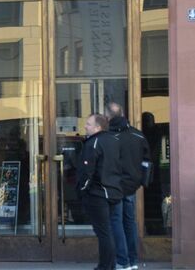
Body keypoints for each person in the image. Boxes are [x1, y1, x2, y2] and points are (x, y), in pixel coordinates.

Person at [107, 103, 150, 270]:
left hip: (114, 186)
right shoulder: (138, 135)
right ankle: (132, 261)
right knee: (129, 222)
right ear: (123, 113)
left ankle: (122, 261)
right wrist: (140, 181)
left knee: (116, 221)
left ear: (108, 117)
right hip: (131, 186)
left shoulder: (107, 136)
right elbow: (147, 161)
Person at [78, 113, 123, 270]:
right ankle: (110, 265)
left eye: (88, 124)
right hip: (114, 192)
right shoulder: (115, 140)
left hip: (98, 193)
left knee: (103, 231)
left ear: (98, 127)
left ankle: (105, 266)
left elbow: (87, 171)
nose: (85, 126)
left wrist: (82, 190)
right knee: (109, 230)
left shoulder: (94, 142)